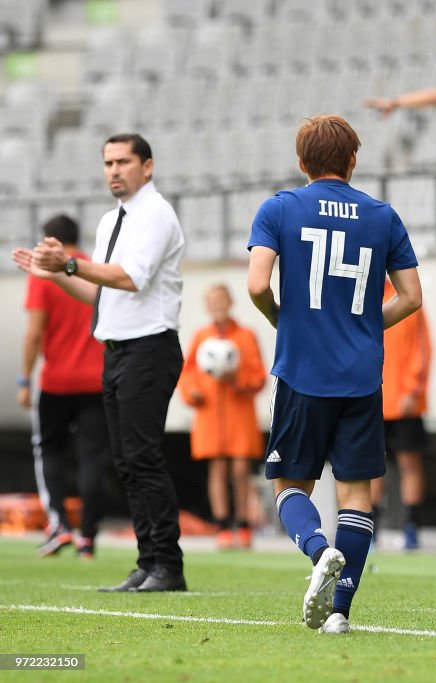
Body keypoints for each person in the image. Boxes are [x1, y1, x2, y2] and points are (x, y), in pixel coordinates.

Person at [247, 115, 422, 635]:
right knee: (357, 495)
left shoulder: (279, 208)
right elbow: (411, 298)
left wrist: (284, 319)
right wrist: (366, 325)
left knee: (288, 485)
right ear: (352, 161)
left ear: (301, 162)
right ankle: (340, 613)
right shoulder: (382, 215)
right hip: (362, 376)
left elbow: (257, 284)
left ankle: (319, 551)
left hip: (302, 370)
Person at [14, 133, 187, 593]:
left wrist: (68, 263)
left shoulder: (155, 214)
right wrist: (54, 272)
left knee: (143, 458)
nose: (114, 170)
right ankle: (148, 561)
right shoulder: (113, 220)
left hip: (148, 348)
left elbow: (130, 278)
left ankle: (167, 565)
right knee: (126, 462)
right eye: (108, 162)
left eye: (123, 161)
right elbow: (99, 291)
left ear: (147, 167)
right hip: (116, 350)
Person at [19, 214, 109, 559]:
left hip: (56, 380)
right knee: (93, 458)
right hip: (96, 379)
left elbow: (34, 331)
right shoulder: (93, 267)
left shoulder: (45, 271)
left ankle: (59, 526)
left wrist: (24, 379)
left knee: (50, 452)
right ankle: (88, 536)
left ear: (49, 239)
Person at [177, 284, 267, 550]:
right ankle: (223, 525)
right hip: (210, 413)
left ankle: (243, 524)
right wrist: (193, 392)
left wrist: (237, 380)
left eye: (221, 299)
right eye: (212, 300)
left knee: (240, 470)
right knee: (217, 468)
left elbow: (258, 374)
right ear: (207, 305)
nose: (217, 305)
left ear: (230, 302)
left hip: (239, 411)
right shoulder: (201, 336)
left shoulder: (245, 336)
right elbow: (188, 373)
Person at [371, 276, 432, 551]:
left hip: (403, 399)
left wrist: (413, 388)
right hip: (370, 395)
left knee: (410, 462)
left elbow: (422, 347)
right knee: (370, 466)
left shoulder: (405, 294)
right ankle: (369, 527)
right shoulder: (360, 293)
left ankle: (412, 526)